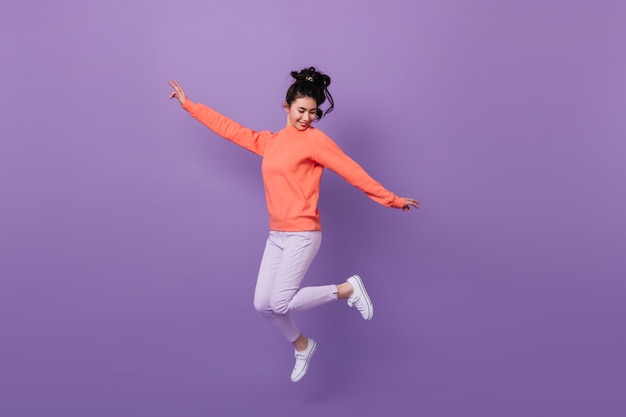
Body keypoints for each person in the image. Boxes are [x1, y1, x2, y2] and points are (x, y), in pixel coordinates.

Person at [168, 67, 419, 382]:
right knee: (263, 304)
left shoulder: (316, 142)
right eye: (301, 110)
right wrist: (191, 105)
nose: (307, 118)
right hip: (277, 236)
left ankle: (348, 289)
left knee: (280, 301)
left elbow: (353, 172)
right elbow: (229, 129)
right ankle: (302, 346)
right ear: (285, 107)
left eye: (313, 112)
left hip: (303, 233)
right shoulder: (269, 142)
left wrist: (393, 199)